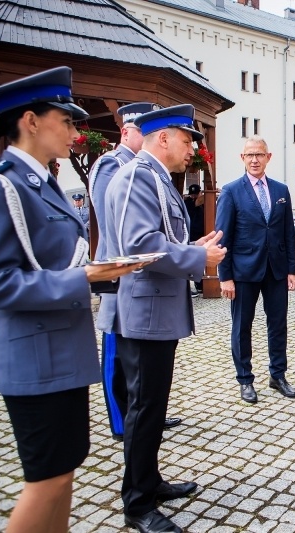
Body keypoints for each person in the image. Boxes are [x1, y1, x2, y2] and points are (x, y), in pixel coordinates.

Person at [0, 66, 141, 533]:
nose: (76, 133)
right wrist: (84, 277)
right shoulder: (1, 186)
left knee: (63, 474)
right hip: (33, 358)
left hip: (61, 353)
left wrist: (99, 275)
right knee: (46, 482)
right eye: (67, 121)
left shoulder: (44, 182)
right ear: (31, 121)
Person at [104, 104, 227, 533]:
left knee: (152, 406)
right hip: (144, 312)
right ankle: (137, 504)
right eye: (187, 139)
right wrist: (196, 257)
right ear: (163, 138)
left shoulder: (155, 177)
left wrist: (193, 247)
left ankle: (149, 481)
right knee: (144, 408)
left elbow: (160, 239)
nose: (192, 148)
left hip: (154, 310)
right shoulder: (138, 176)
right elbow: (139, 245)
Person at [90, 102, 181, 442]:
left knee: (140, 370)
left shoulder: (150, 169)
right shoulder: (114, 165)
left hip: (141, 272)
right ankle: (121, 422)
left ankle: (140, 414)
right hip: (119, 276)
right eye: (140, 131)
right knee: (117, 354)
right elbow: (113, 224)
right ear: (126, 131)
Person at [215, 136, 295, 403]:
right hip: (243, 272)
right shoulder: (231, 191)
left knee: (278, 325)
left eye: (259, 155)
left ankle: (278, 375)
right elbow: (222, 237)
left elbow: (288, 232)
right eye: (249, 155)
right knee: (242, 326)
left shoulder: (281, 190)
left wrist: (292, 269)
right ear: (242, 158)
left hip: (276, 270)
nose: (254, 160)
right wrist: (225, 277)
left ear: (268, 157)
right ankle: (245, 379)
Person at [183, 183, 205, 296]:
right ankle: (199, 284)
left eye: (195, 194)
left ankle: (200, 285)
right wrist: (209, 193)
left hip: (200, 234)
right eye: (192, 195)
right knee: (195, 261)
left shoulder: (199, 203)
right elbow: (199, 201)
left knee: (199, 260)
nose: (193, 196)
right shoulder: (189, 203)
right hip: (193, 235)